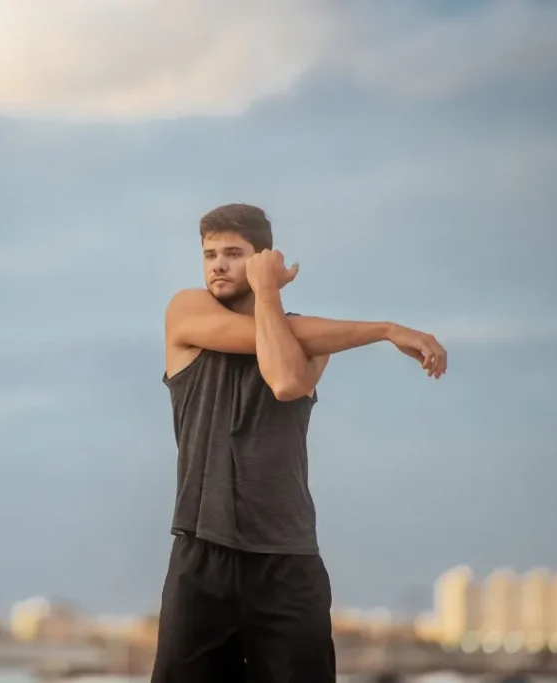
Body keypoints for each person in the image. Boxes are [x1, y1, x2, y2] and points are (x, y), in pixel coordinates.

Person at [151, 204, 447, 683]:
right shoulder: (185, 310)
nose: (218, 266)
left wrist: (266, 292)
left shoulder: (311, 341)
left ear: (263, 258)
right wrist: (386, 330)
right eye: (209, 255)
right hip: (203, 555)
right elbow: (277, 343)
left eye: (233, 253)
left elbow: (285, 379)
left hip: (287, 563)